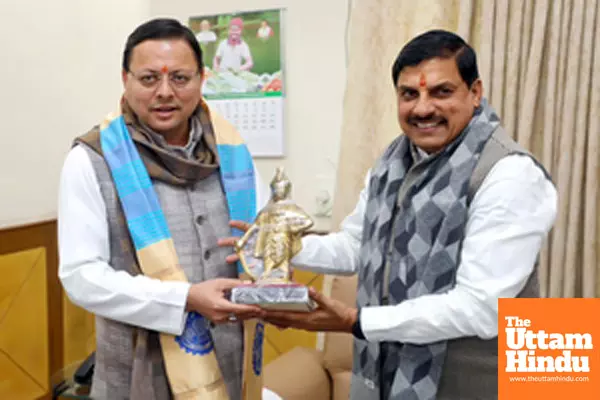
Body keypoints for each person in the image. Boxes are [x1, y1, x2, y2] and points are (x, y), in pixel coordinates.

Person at [220, 30, 557, 399]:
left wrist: (356, 321)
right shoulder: (393, 163)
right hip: (384, 375)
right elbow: (355, 245)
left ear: (475, 93)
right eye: (409, 94)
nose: (423, 108)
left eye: (441, 92)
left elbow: (479, 309)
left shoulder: (510, 174)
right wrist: (278, 244)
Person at [57, 18, 279, 400]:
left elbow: (264, 237)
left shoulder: (231, 150)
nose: (165, 92)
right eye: (148, 79)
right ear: (125, 79)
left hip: (231, 354)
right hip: (139, 367)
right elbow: (81, 276)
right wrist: (185, 299)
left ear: (201, 79)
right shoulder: (91, 160)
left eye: (179, 78)